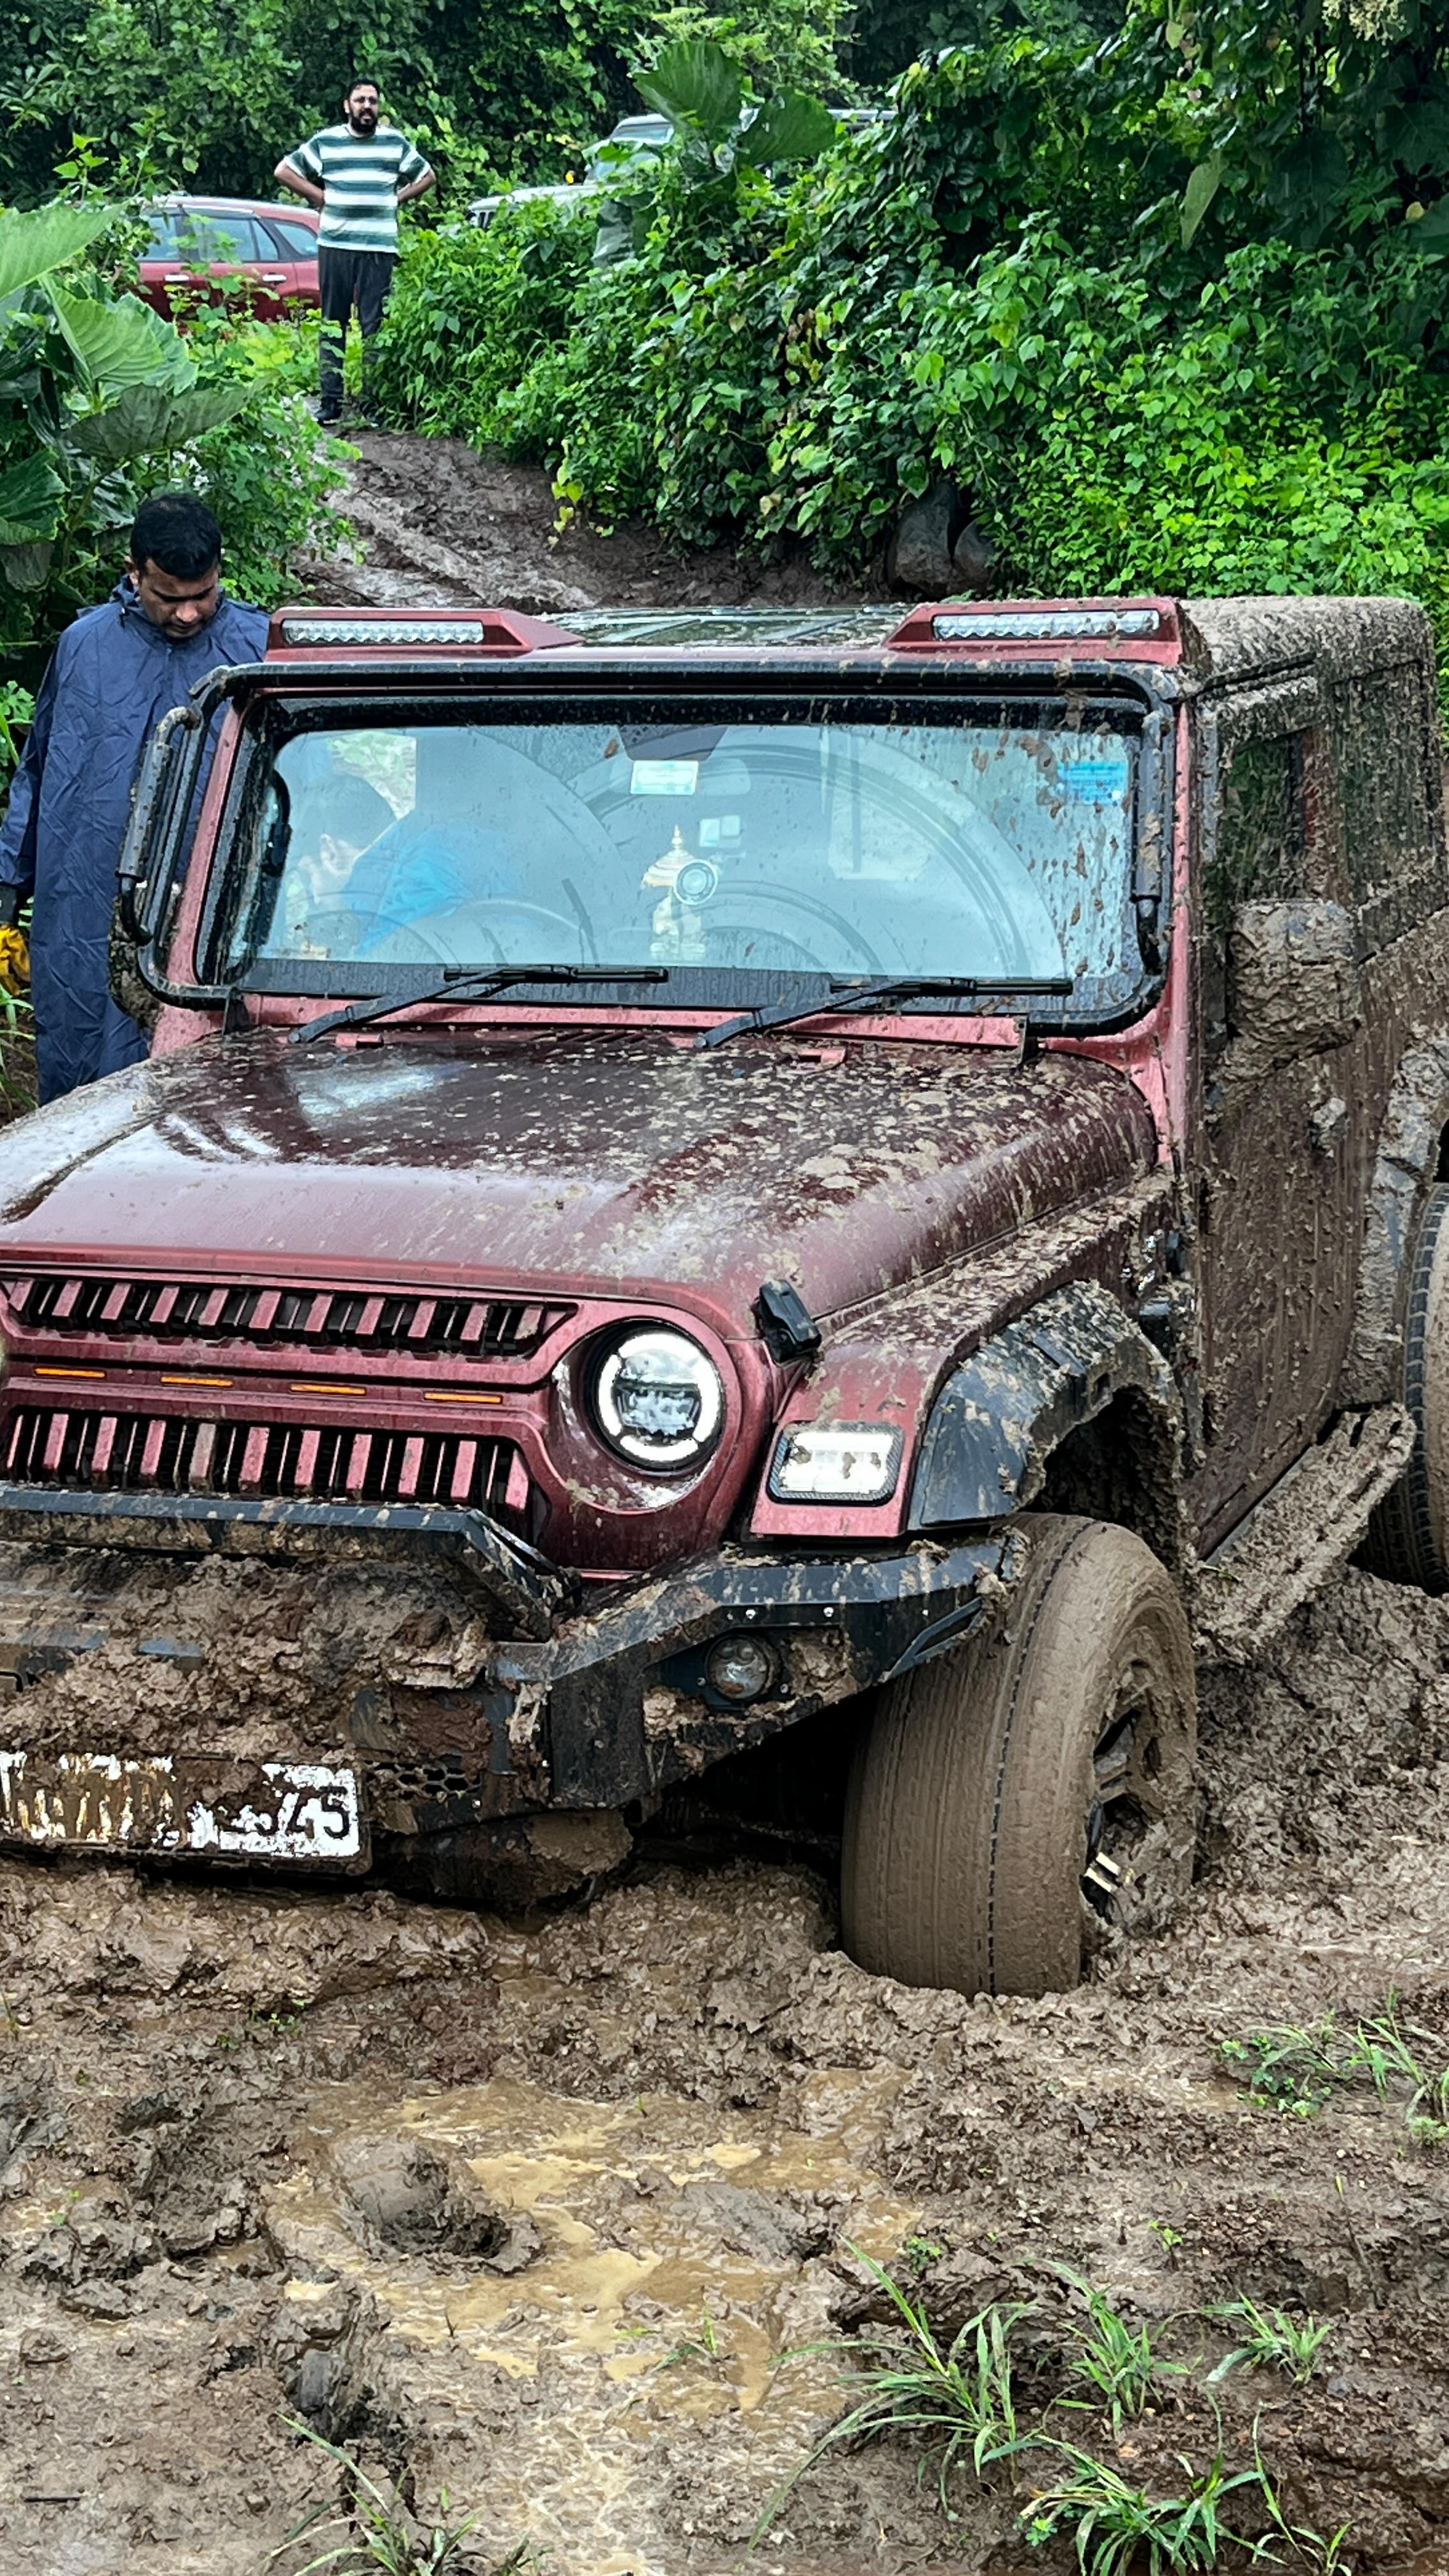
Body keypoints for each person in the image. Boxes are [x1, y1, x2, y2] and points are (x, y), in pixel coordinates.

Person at [0, 492, 268, 1105]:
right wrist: (7, 890)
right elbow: (41, 771)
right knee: (82, 1068)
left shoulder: (256, 649)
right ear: (134, 571)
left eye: (203, 594)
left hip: (212, 906)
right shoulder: (85, 647)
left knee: (208, 1081)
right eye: (169, 597)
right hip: (87, 898)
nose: (189, 614)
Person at [275, 79, 435, 425]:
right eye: (360, 100)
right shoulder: (328, 141)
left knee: (374, 324)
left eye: (373, 101)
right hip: (335, 245)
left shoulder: (394, 143)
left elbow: (427, 175)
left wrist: (397, 198)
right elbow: (284, 171)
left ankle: (372, 401)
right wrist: (318, 197)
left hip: (378, 247)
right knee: (334, 322)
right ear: (347, 105)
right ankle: (331, 401)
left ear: (379, 108)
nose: (367, 106)